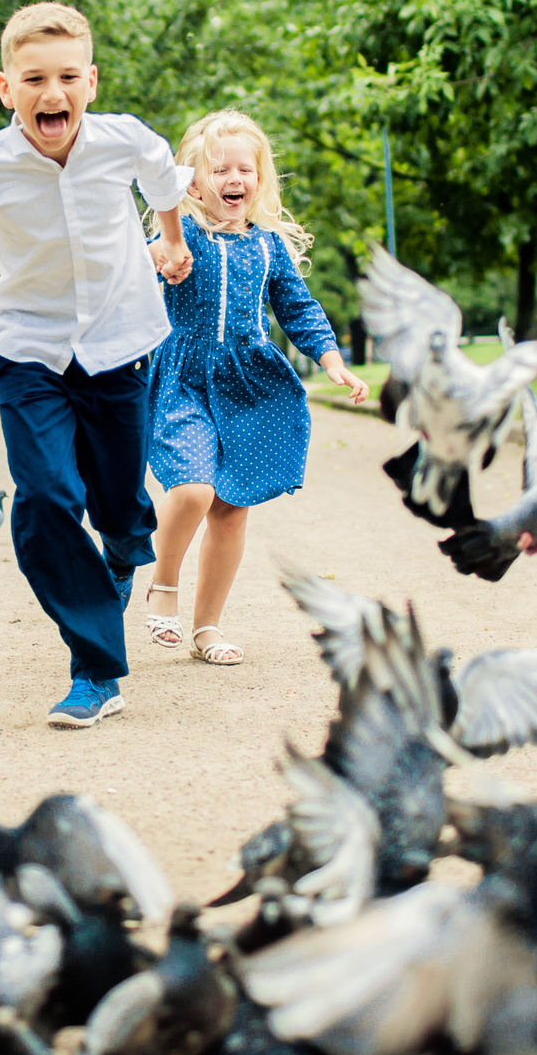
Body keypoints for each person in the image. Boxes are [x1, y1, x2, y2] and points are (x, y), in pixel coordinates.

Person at [0, 2, 194, 729]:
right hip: (29, 349)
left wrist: (172, 241)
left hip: (120, 344)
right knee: (46, 498)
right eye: (33, 79)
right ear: (5, 88)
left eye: (65, 77)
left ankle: (123, 546)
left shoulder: (124, 142)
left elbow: (164, 179)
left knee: (117, 507)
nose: (51, 93)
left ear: (91, 80)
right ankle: (95, 670)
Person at [140, 108, 367, 665]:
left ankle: (207, 628)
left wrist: (333, 360)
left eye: (245, 170)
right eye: (219, 170)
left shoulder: (267, 246)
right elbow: (133, 280)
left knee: (231, 508)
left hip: (247, 382)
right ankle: (163, 583)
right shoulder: (180, 233)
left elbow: (298, 307)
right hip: (184, 377)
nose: (233, 180)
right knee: (192, 489)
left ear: (260, 179)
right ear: (191, 180)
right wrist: (153, 255)